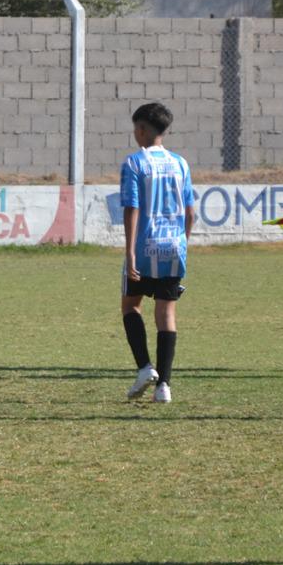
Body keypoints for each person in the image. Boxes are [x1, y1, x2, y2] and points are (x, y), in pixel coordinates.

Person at [120, 102, 197, 404]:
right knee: (166, 314)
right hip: (174, 248)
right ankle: (164, 385)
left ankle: (144, 368)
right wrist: (182, 244)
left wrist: (130, 253)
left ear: (141, 129)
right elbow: (190, 213)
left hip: (144, 246)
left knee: (130, 307)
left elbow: (132, 208)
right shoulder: (181, 163)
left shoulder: (134, 163)